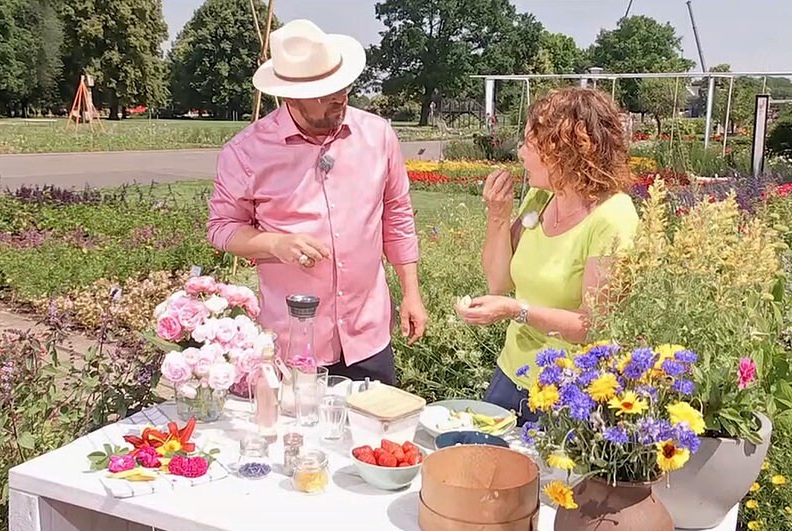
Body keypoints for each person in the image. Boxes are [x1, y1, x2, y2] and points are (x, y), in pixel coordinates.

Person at [207, 19, 427, 386]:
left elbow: (397, 215)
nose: (340, 98)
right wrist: (275, 244)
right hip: (294, 341)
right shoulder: (246, 152)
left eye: (343, 86)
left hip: (368, 335)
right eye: (325, 94)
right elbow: (222, 227)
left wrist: (411, 293)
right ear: (291, 97)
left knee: (376, 423)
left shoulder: (378, 136)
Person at [455, 87, 640, 423]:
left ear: (564, 150)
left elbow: (593, 325)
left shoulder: (613, 217)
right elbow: (499, 281)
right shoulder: (540, 199)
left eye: (529, 143)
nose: (520, 153)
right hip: (511, 375)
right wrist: (498, 215)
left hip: (568, 392)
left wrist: (517, 310)